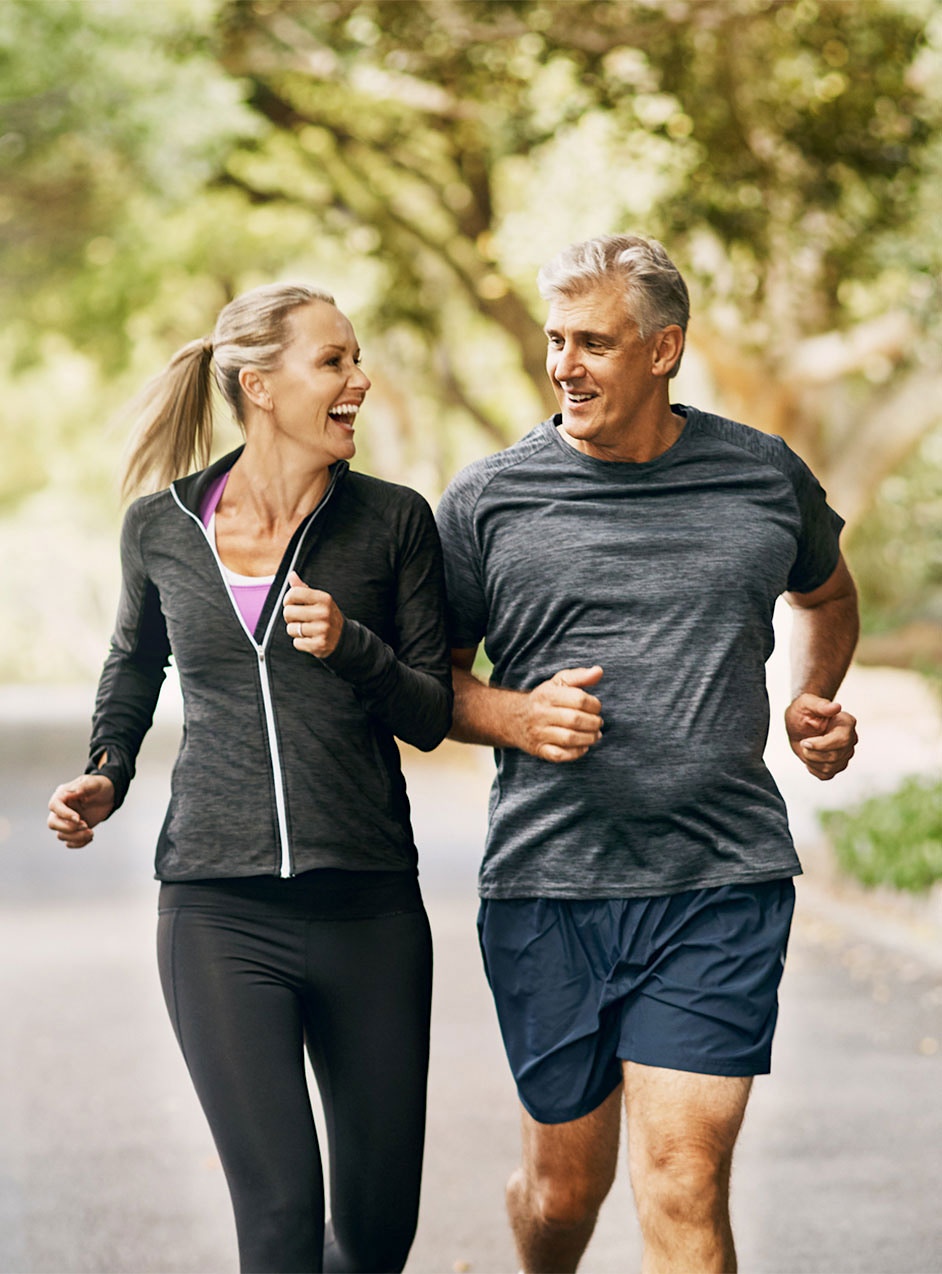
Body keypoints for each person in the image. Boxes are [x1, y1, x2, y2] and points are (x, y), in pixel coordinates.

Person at [435, 234, 859, 1274]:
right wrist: (514, 715)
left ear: (664, 349)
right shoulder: (489, 499)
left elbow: (828, 593)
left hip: (720, 878)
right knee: (562, 1190)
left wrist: (815, 693)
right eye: (555, 340)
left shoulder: (761, 475)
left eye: (594, 342)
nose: (564, 365)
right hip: (550, 884)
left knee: (679, 1175)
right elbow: (429, 682)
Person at [47, 282, 453, 1274]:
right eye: (335, 362)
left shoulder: (394, 521)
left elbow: (434, 710)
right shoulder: (161, 527)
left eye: (356, 358)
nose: (359, 380)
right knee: (277, 1224)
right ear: (259, 385)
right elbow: (133, 662)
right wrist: (108, 770)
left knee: (373, 1232)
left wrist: (353, 647)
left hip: (369, 906)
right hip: (218, 910)